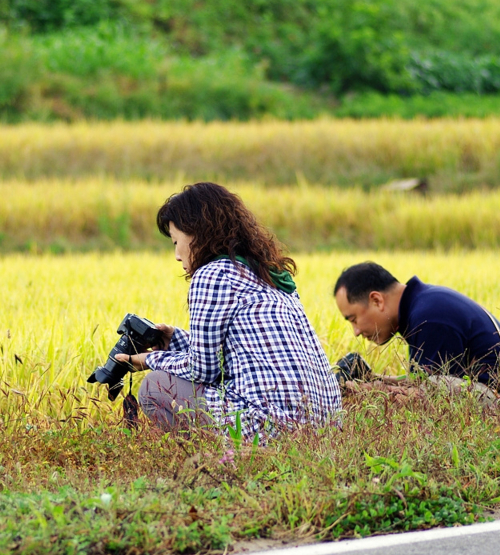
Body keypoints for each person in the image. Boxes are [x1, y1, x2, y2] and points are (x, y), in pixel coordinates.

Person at [117, 182, 341, 439]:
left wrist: (147, 360)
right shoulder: (268, 272)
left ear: (197, 234)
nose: (177, 256)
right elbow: (241, 353)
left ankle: (222, 460)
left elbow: (203, 369)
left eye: (176, 242)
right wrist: (176, 339)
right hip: (327, 427)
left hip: (275, 431)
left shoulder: (212, 275)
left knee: (155, 386)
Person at [333, 262, 500, 399]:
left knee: (415, 399)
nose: (356, 331)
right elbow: (427, 381)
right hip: (492, 395)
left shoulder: (429, 316)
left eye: (354, 319)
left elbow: (432, 394)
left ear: (377, 300)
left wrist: (360, 390)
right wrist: (374, 379)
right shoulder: (422, 304)